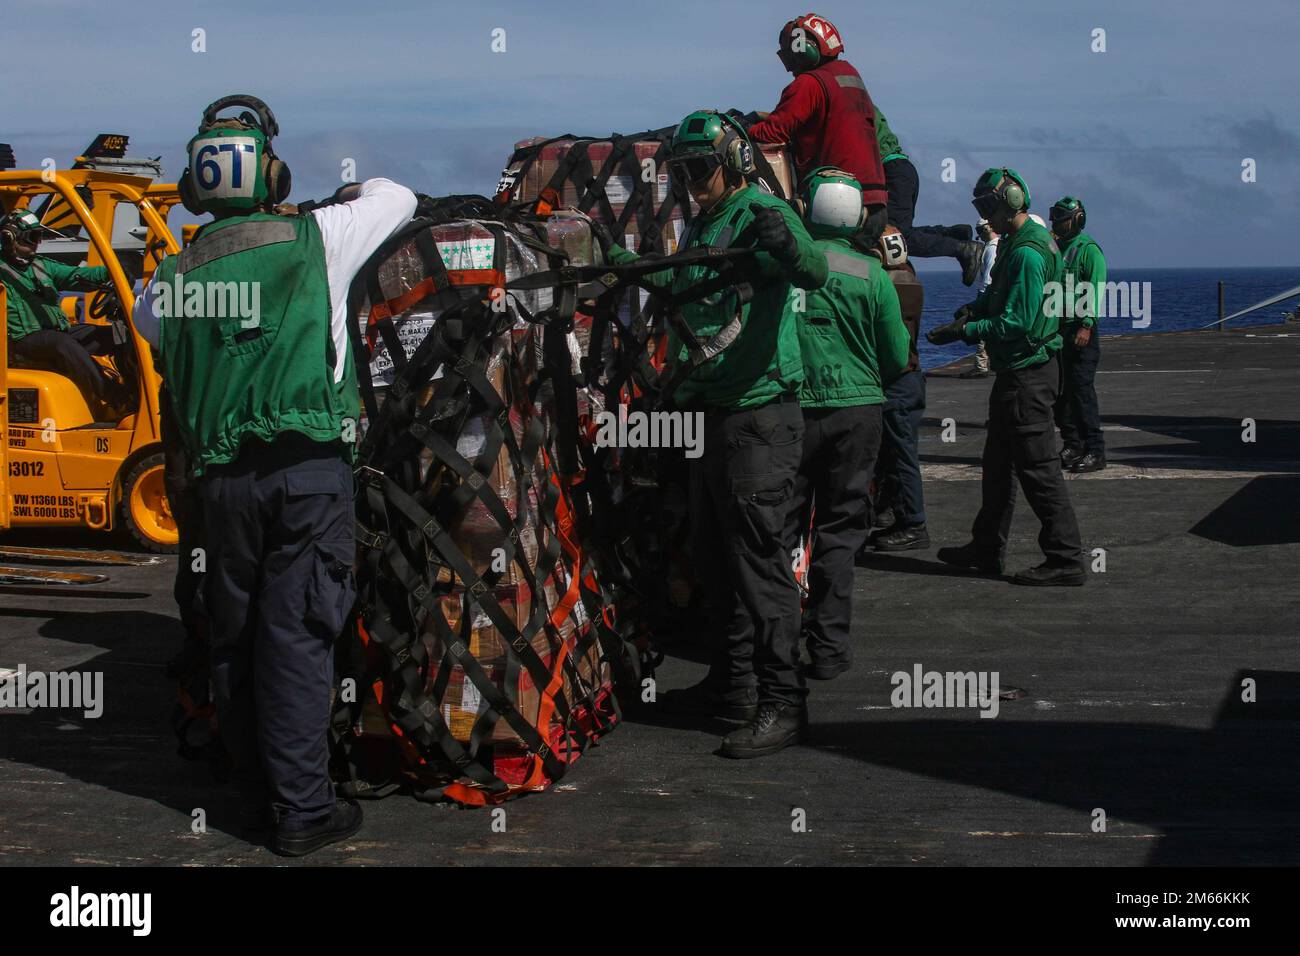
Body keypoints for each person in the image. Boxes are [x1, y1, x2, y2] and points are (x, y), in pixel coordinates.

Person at [135, 95, 416, 855]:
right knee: (295, 637)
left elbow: (151, 331)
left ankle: (254, 796)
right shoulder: (316, 238)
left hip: (220, 487)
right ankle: (302, 812)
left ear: (197, 191)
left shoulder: (168, 280)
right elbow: (399, 197)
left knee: (235, 638)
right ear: (273, 173)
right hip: (306, 474)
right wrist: (345, 197)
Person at [601, 110, 827, 759]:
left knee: (760, 566)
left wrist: (786, 246)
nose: (692, 182)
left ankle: (784, 704)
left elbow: (811, 268)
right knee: (714, 561)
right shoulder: (704, 222)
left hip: (758, 417)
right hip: (710, 418)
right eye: (684, 173)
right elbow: (684, 281)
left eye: (700, 170)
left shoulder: (760, 209)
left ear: (732, 163)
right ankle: (731, 689)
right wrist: (621, 263)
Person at [927, 168, 1085, 586]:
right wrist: (974, 311)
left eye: (986, 207)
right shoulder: (1018, 243)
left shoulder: (1028, 253)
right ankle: (986, 548)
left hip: (1027, 376)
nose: (983, 217)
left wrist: (966, 331)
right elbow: (1001, 298)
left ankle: (1066, 558)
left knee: (1039, 471)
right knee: (998, 466)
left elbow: (1018, 321)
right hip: (1018, 375)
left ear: (1007, 202)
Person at [783, 169, 910, 680]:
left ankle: (777, 643)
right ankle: (829, 650)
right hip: (856, 416)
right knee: (839, 530)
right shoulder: (870, 273)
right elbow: (897, 355)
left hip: (790, 411)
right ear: (855, 214)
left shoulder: (786, 268)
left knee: (782, 529)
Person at [747, 14, 890, 252]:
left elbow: (772, 133)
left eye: (790, 54)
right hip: (875, 201)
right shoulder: (850, 74)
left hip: (836, 204)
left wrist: (743, 128)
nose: (789, 65)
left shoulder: (808, 84)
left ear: (804, 49)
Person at [1, 209, 131, 405]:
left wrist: (113, 271)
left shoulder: (41, 266)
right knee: (62, 344)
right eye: (33, 237)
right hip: (21, 342)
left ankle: (136, 392)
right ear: (11, 236)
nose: (38, 242)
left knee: (119, 335)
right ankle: (116, 398)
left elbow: (80, 275)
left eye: (40, 236)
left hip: (56, 332)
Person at [868, 226, 930, 551]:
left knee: (900, 455)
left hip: (898, 381)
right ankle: (895, 512)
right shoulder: (909, 276)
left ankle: (913, 523)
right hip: (910, 378)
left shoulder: (885, 282)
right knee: (895, 453)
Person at [874, 108, 986, 285]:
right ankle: (954, 234)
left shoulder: (846, 106)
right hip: (900, 168)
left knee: (895, 239)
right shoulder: (859, 101)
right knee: (903, 231)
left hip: (891, 172)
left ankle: (963, 249)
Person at [1050, 195, 1107, 473]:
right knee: (1061, 392)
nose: (1056, 225)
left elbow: (1095, 289)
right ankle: (1072, 444)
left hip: (1080, 330)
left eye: (1061, 221)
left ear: (1077, 221)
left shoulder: (1089, 250)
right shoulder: (1056, 248)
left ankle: (1096, 450)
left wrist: (1086, 324)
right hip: (1059, 329)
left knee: (1082, 391)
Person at [960, 218, 999, 378]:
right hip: (992, 293)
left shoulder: (992, 249)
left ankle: (981, 366)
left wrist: (980, 300)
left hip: (986, 293)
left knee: (982, 330)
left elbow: (988, 277)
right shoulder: (994, 246)